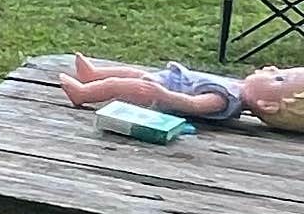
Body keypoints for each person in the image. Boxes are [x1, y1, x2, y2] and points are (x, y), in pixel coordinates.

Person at [60, 56, 304, 132]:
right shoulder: (237, 89)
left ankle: (84, 93)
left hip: (160, 92)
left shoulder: (224, 100)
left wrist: (163, 94)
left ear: (267, 105)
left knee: (119, 84)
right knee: (131, 72)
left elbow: (193, 104)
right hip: (166, 82)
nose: (272, 69)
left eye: (278, 78)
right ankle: (93, 75)